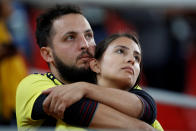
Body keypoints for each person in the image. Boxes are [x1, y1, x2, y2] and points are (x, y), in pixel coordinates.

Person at [16, 5, 161, 131]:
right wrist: (138, 127)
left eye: (89, 35)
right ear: (48, 54)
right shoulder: (32, 84)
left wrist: (85, 88)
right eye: (70, 37)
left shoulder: (108, 79)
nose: (85, 44)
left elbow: (147, 108)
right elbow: (72, 108)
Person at [0, 0, 27, 124]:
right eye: (7, 3)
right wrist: (10, 49)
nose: (11, 7)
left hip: (13, 90)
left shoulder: (4, 26)